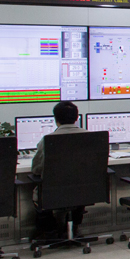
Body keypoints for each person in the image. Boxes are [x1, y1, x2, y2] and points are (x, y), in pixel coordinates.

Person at [31, 101, 91, 238]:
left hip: (53, 193)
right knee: (78, 190)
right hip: (84, 191)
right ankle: (73, 228)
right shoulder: (91, 137)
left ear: (55, 119)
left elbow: (36, 170)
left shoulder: (48, 140)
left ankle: (50, 231)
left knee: (37, 190)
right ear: (76, 118)